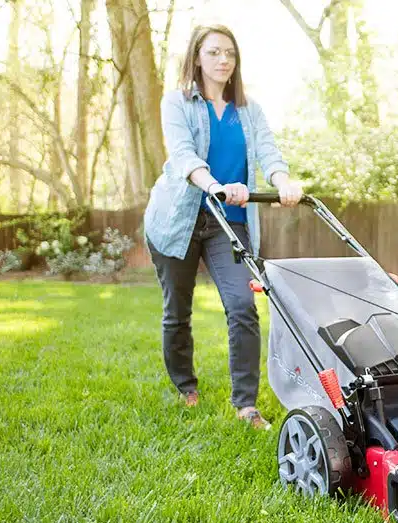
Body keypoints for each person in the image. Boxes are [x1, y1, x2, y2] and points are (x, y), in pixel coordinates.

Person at [142, 24, 302, 430]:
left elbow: (268, 150)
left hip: (226, 222)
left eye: (229, 53)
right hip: (176, 220)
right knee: (177, 312)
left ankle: (245, 404)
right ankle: (185, 387)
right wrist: (213, 184)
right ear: (197, 57)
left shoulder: (248, 110)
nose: (223, 60)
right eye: (213, 52)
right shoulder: (176, 102)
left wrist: (283, 181)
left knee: (244, 307)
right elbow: (181, 155)